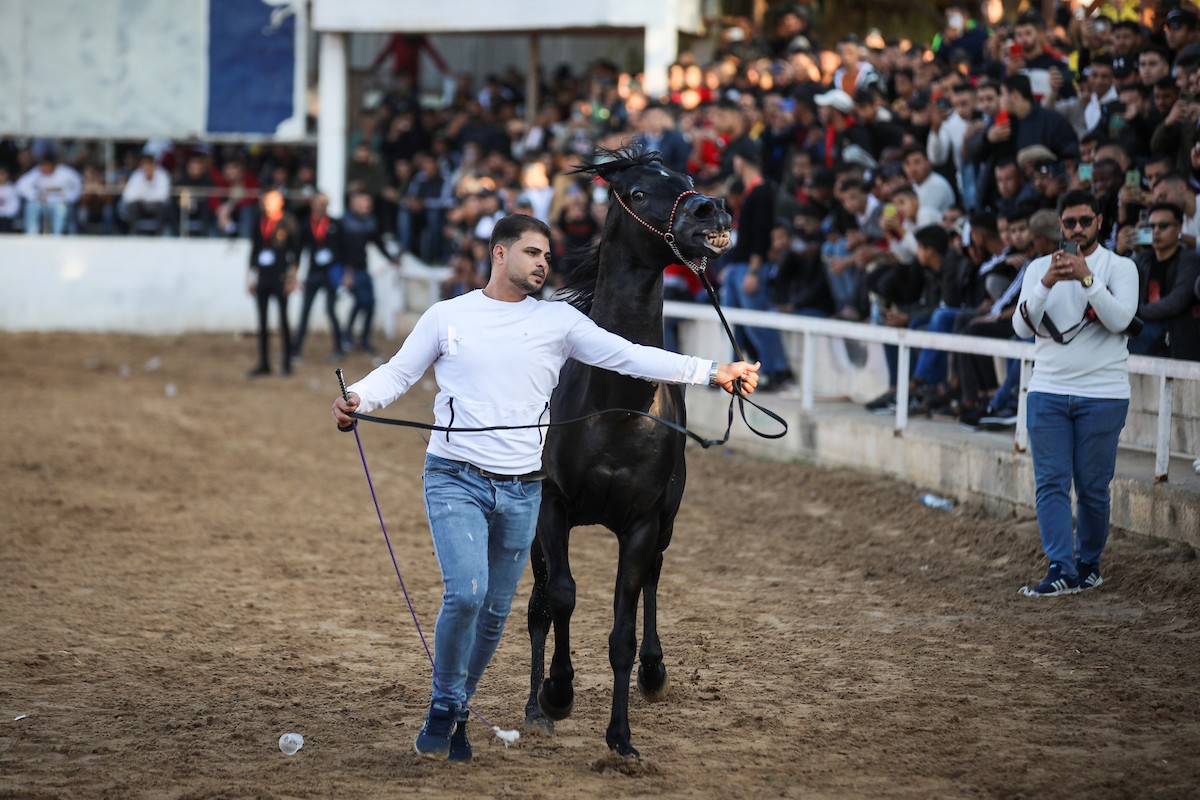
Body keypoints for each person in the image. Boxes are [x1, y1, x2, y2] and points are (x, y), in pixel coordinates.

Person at [330, 214, 760, 762]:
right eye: (532, 252)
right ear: (499, 253)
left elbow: (631, 355)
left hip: (523, 487)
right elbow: (396, 374)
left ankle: (459, 705)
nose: (542, 263)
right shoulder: (448, 316)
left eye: (547, 256)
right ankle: (444, 702)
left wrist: (712, 371)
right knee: (466, 592)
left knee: (494, 611)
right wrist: (359, 400)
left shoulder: (559, 323)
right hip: (454, 476)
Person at [1012, 189, 1139, 597]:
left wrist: (1086, 278)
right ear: (1060, 226)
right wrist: (1048, 282)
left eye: (1086, 221)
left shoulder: (1120, 267)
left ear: (1100, 222)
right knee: (1050, 483)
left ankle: (1088, 564)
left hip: (1103, 393)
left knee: (1092, 488)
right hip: (1047, 389)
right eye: (1070, 223)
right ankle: (1060, 568)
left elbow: (1121, 320)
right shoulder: (1037, 269)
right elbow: (1020, 326)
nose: (1078, 230)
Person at [1128, 202, 1200, 360]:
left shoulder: (1191, 260)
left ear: (1179, 228)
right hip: (1145, 327)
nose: (1156, 232)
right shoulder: (1143, 259)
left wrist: (1136, 311)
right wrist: (1123, 249)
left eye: (1163, 226)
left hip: (1176, 334)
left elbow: (1176, 302)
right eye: (1152, 227)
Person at [247, 189, 300, 377]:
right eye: (265, 202)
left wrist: (292, 278)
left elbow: (296, 253)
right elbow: (254, 250)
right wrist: (250, 277)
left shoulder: (288, 222)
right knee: (262, 322)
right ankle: (264, 363)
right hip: (263, 277)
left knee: (283, 321)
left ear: (280, 203)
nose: (267, 205)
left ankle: (286, 363)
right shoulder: (258, 221)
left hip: (281, 277)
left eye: (271, 202)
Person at [341, 191, 399, 355]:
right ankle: (349, 337)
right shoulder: (345, 222)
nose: (366, 206)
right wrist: (347, 272)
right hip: (351, 270)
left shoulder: (370, 221)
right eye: (363, 202)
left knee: (368, 304)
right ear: (354, 203)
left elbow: (377, 242)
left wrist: (391, 258)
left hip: (363, 268)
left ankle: (361, 339)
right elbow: (343, 250)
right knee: (362, 301)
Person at [294, 192, 347, 362]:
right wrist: (295, 274)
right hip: (313, 273)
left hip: (330, 273)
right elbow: (299, 250)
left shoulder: (335, 224)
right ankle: (296, 350)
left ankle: (338, 348)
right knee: (305, 311)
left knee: (331, 311)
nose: (320, 206)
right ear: (312, 204)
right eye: (318, 203)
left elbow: (343, 249)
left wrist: (343, 274)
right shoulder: (305, 225)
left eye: (324, 203)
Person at [16, 152, 82, 235]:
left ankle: (57, 236)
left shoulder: (66, 173)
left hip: (59, 201)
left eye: (46, 165)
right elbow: (20, 186)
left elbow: (78, 186)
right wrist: (35, 195)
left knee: (60, 209)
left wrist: (68, 198)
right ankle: (31, 235)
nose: (43, 168)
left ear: (52, 165)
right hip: (42, 202)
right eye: (42, 165)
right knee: (31, 206)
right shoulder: (37, 172)